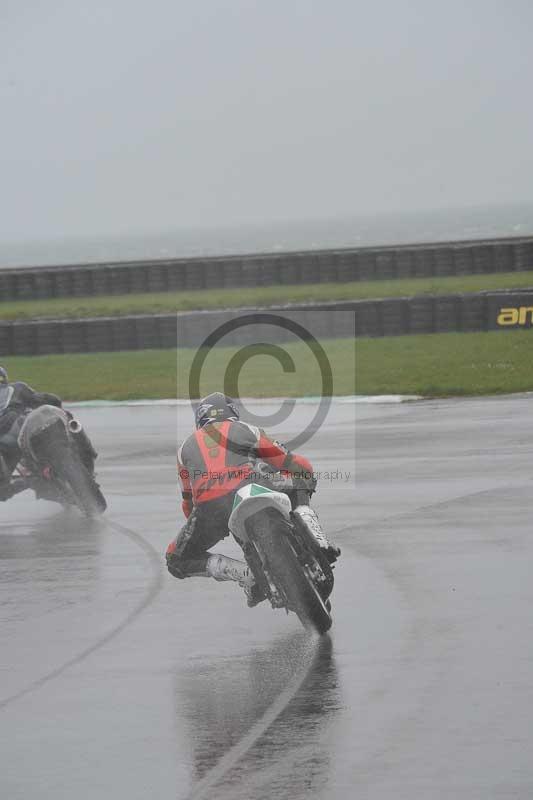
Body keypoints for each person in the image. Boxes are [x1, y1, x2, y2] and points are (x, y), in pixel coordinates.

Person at [166, 392, 340, 606]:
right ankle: (316, 536)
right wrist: (304, 473)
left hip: (210, 507)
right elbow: (289, 462)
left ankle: (246, 575)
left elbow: (187, 501)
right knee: (300, 477)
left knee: (175, 559)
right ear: (232, 412)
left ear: (199, 419)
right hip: (251, 485)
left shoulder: (183, 450)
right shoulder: (246, 429)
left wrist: (204, 525)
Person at [0, 366, 63, 500]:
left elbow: (43, 399)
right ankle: (34, 480)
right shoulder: (18, 388)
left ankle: (71, 449)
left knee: (51, 421)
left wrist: (52, 401)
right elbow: (45, 398)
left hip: (19, 432)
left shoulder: (17, 388)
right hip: (11, 440)